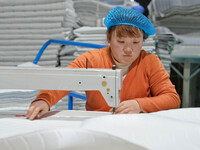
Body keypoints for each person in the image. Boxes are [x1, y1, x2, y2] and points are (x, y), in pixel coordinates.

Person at [27, 6, 180, 120]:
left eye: (135, 42)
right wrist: (44, 100)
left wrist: (140, 105)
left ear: (143, 40)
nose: (128, 49)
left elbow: (172, 99)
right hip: (97, 125)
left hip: (136, 128)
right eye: (121, 42)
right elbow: (64, 80)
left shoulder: (149, 62)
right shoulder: (91, 60)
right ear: (108, 37)